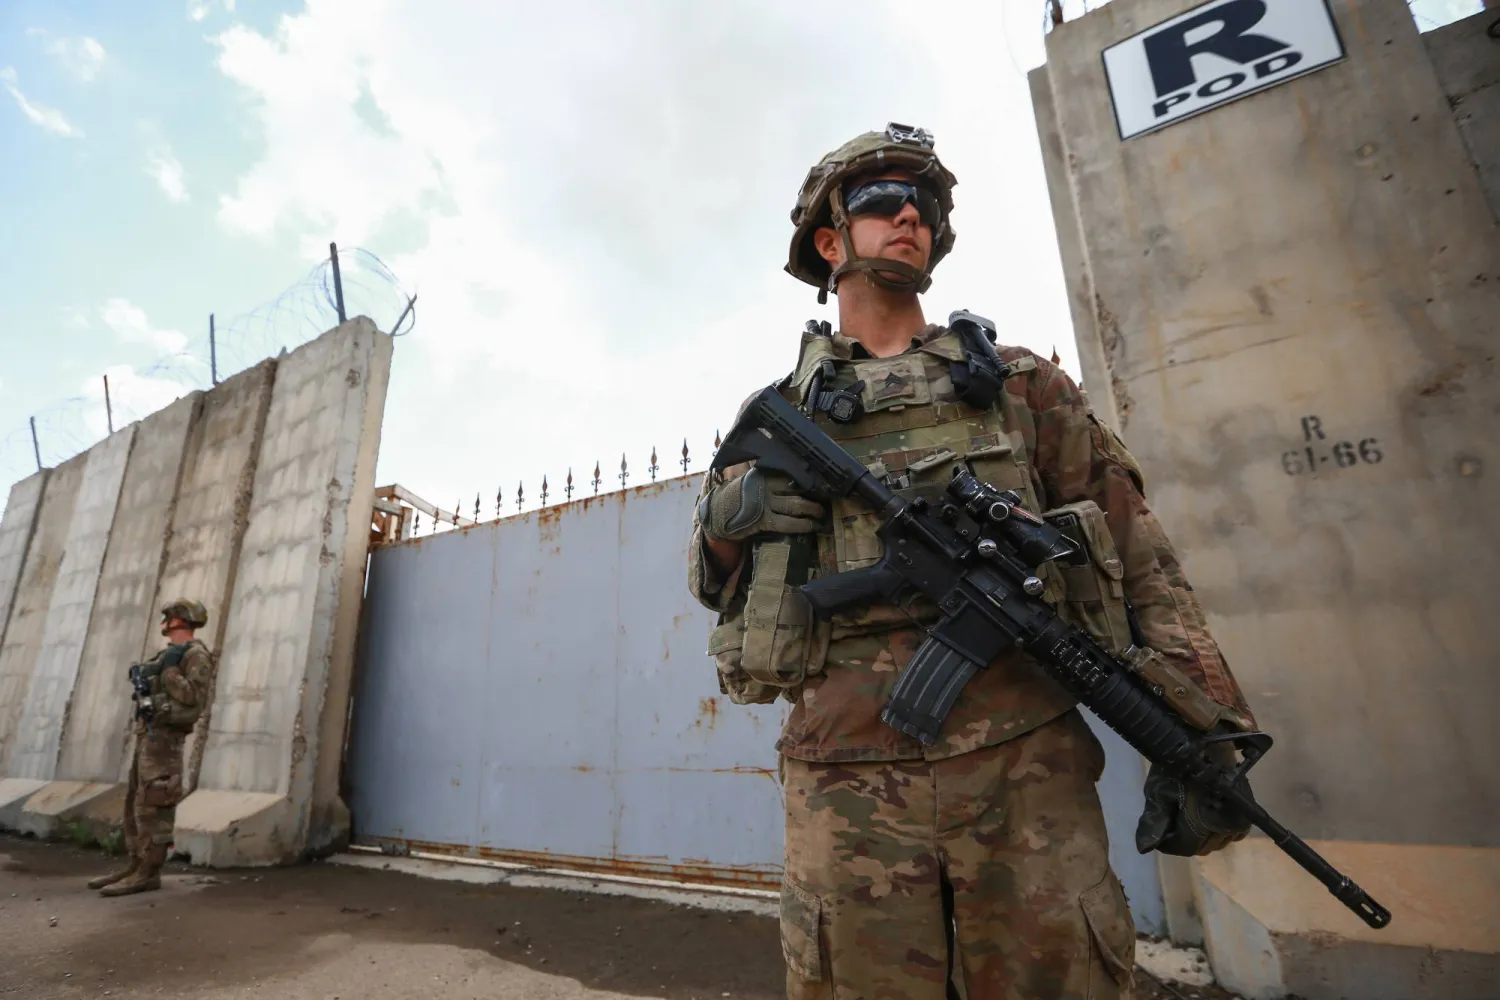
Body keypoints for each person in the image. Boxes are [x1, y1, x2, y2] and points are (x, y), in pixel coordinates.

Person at [687, 124, 1257, 999]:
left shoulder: (1022, 385)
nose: (909, 211)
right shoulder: (779, 413)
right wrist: (734, 519)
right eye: (881, 198)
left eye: (926, 202)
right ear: (832, 241)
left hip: (1024, 768)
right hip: (846, 779)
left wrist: (1204, 731)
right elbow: (712, 581)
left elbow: (1141, 558)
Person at [87, 599, 216, 897]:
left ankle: (149, 871)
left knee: (154, 804)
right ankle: (136, 864)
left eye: (167, 618)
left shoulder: (195, 656)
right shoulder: (168, 654)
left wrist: (169, 671)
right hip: (151, 734)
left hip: (167, 740)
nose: (164, 623)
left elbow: (192, 699)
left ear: (178, 620)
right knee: (136, 802)